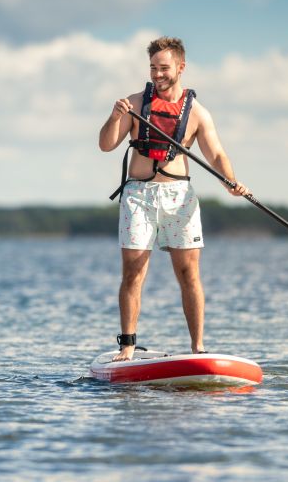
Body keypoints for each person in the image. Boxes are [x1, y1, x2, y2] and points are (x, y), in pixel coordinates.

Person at [98, 36, 248, 361]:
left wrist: (231, 182)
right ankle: (127, 346)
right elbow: (106, 144)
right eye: (153, 68)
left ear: (181, 67)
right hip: (138, 195)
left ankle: (198, 347)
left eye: (164, 68)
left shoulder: (197, 113)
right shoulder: (134, 104)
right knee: (133, 271)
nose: (158, 74)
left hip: (179, 197)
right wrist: (114, 117)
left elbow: (217, 154)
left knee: (188, 273)